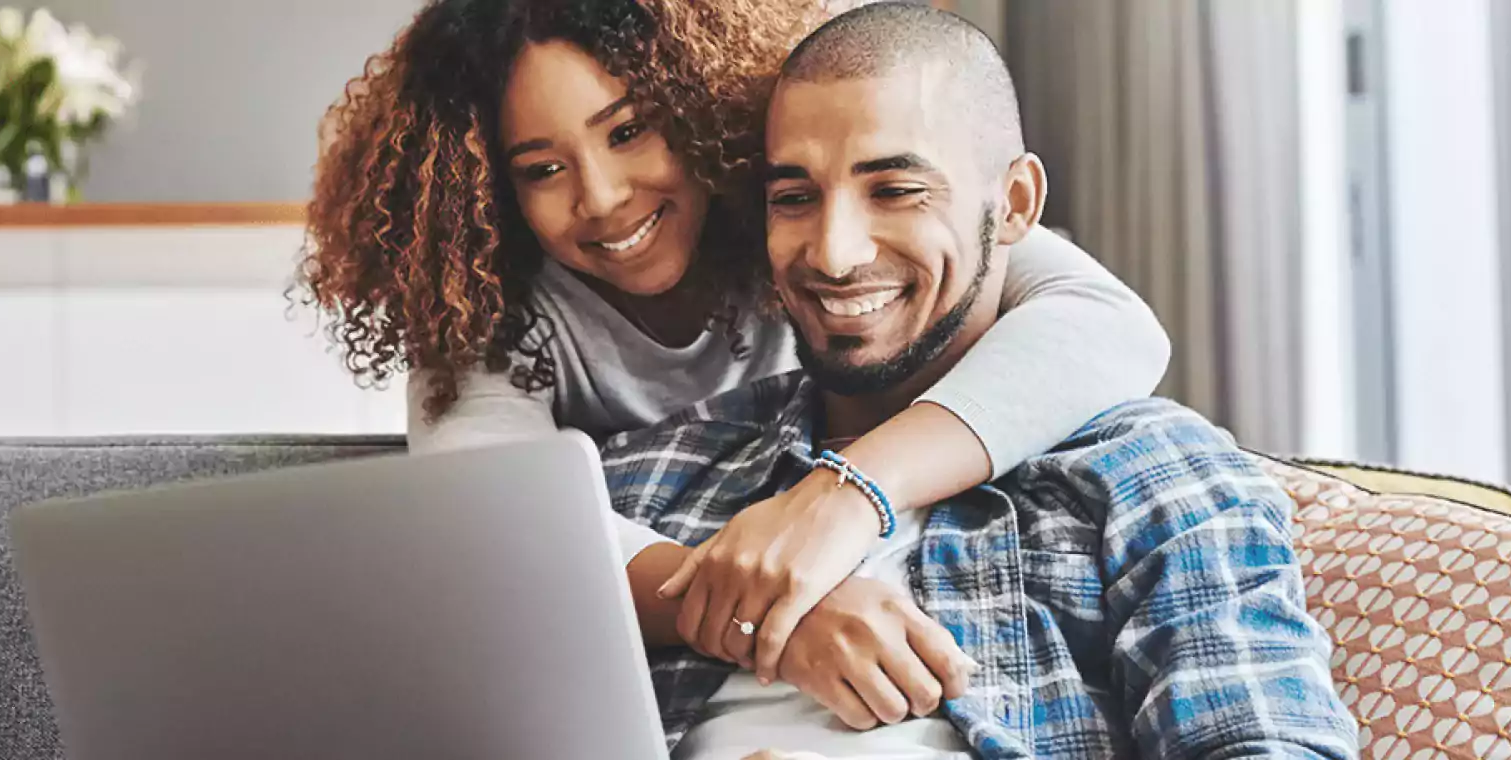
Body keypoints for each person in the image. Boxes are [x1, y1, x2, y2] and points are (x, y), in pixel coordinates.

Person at [301, 0, 1171, 678]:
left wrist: (847, 494)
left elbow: (1110, 327)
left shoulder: (809, 211)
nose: (600, 197)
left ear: (701, 104)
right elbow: (488, 519)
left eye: (629, 130)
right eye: (542, 169)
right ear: (487, 190)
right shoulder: (484, 307)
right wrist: (759, 614)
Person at [604, 5, 1356, 758]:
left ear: (1017, 204)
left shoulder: (1151, 474)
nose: (834, 254)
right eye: (794, 199)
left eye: (896, 190)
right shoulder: (654, 477)